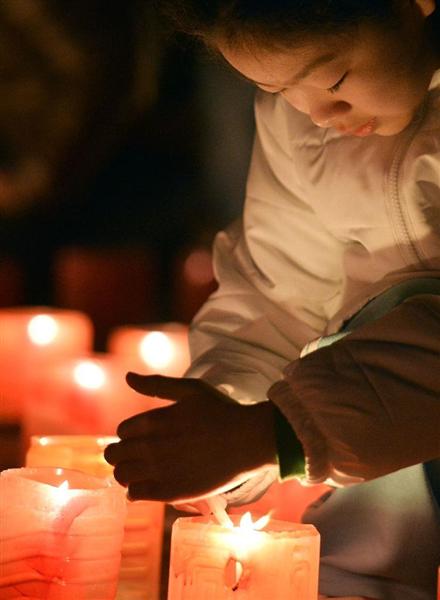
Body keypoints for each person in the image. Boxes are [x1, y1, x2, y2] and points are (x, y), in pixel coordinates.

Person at [104, 2, 440, 598]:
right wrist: (225, 411)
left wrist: (273, 433)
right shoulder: (304, 126)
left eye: (333, 78)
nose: (319, 112)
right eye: (277, 86)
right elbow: (277, 293)